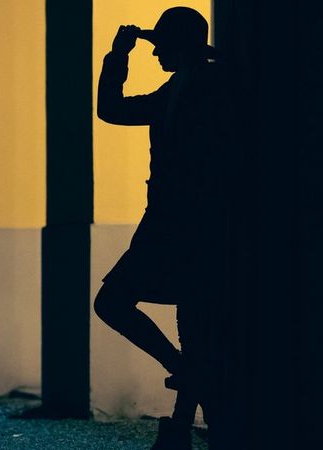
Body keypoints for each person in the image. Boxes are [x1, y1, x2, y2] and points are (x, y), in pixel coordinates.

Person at [94, 7, 230, 449]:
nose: (156, 54)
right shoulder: (183, 85)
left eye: (161, 45)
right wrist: (119, 57)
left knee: (136, 306)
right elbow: (111, 109)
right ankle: (188, 406)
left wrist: (121, 55)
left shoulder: (204, 85)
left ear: (181, 43)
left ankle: (183, 423)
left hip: (187, 223)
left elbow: (111, 109)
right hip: (176, 222)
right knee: (190, 324)